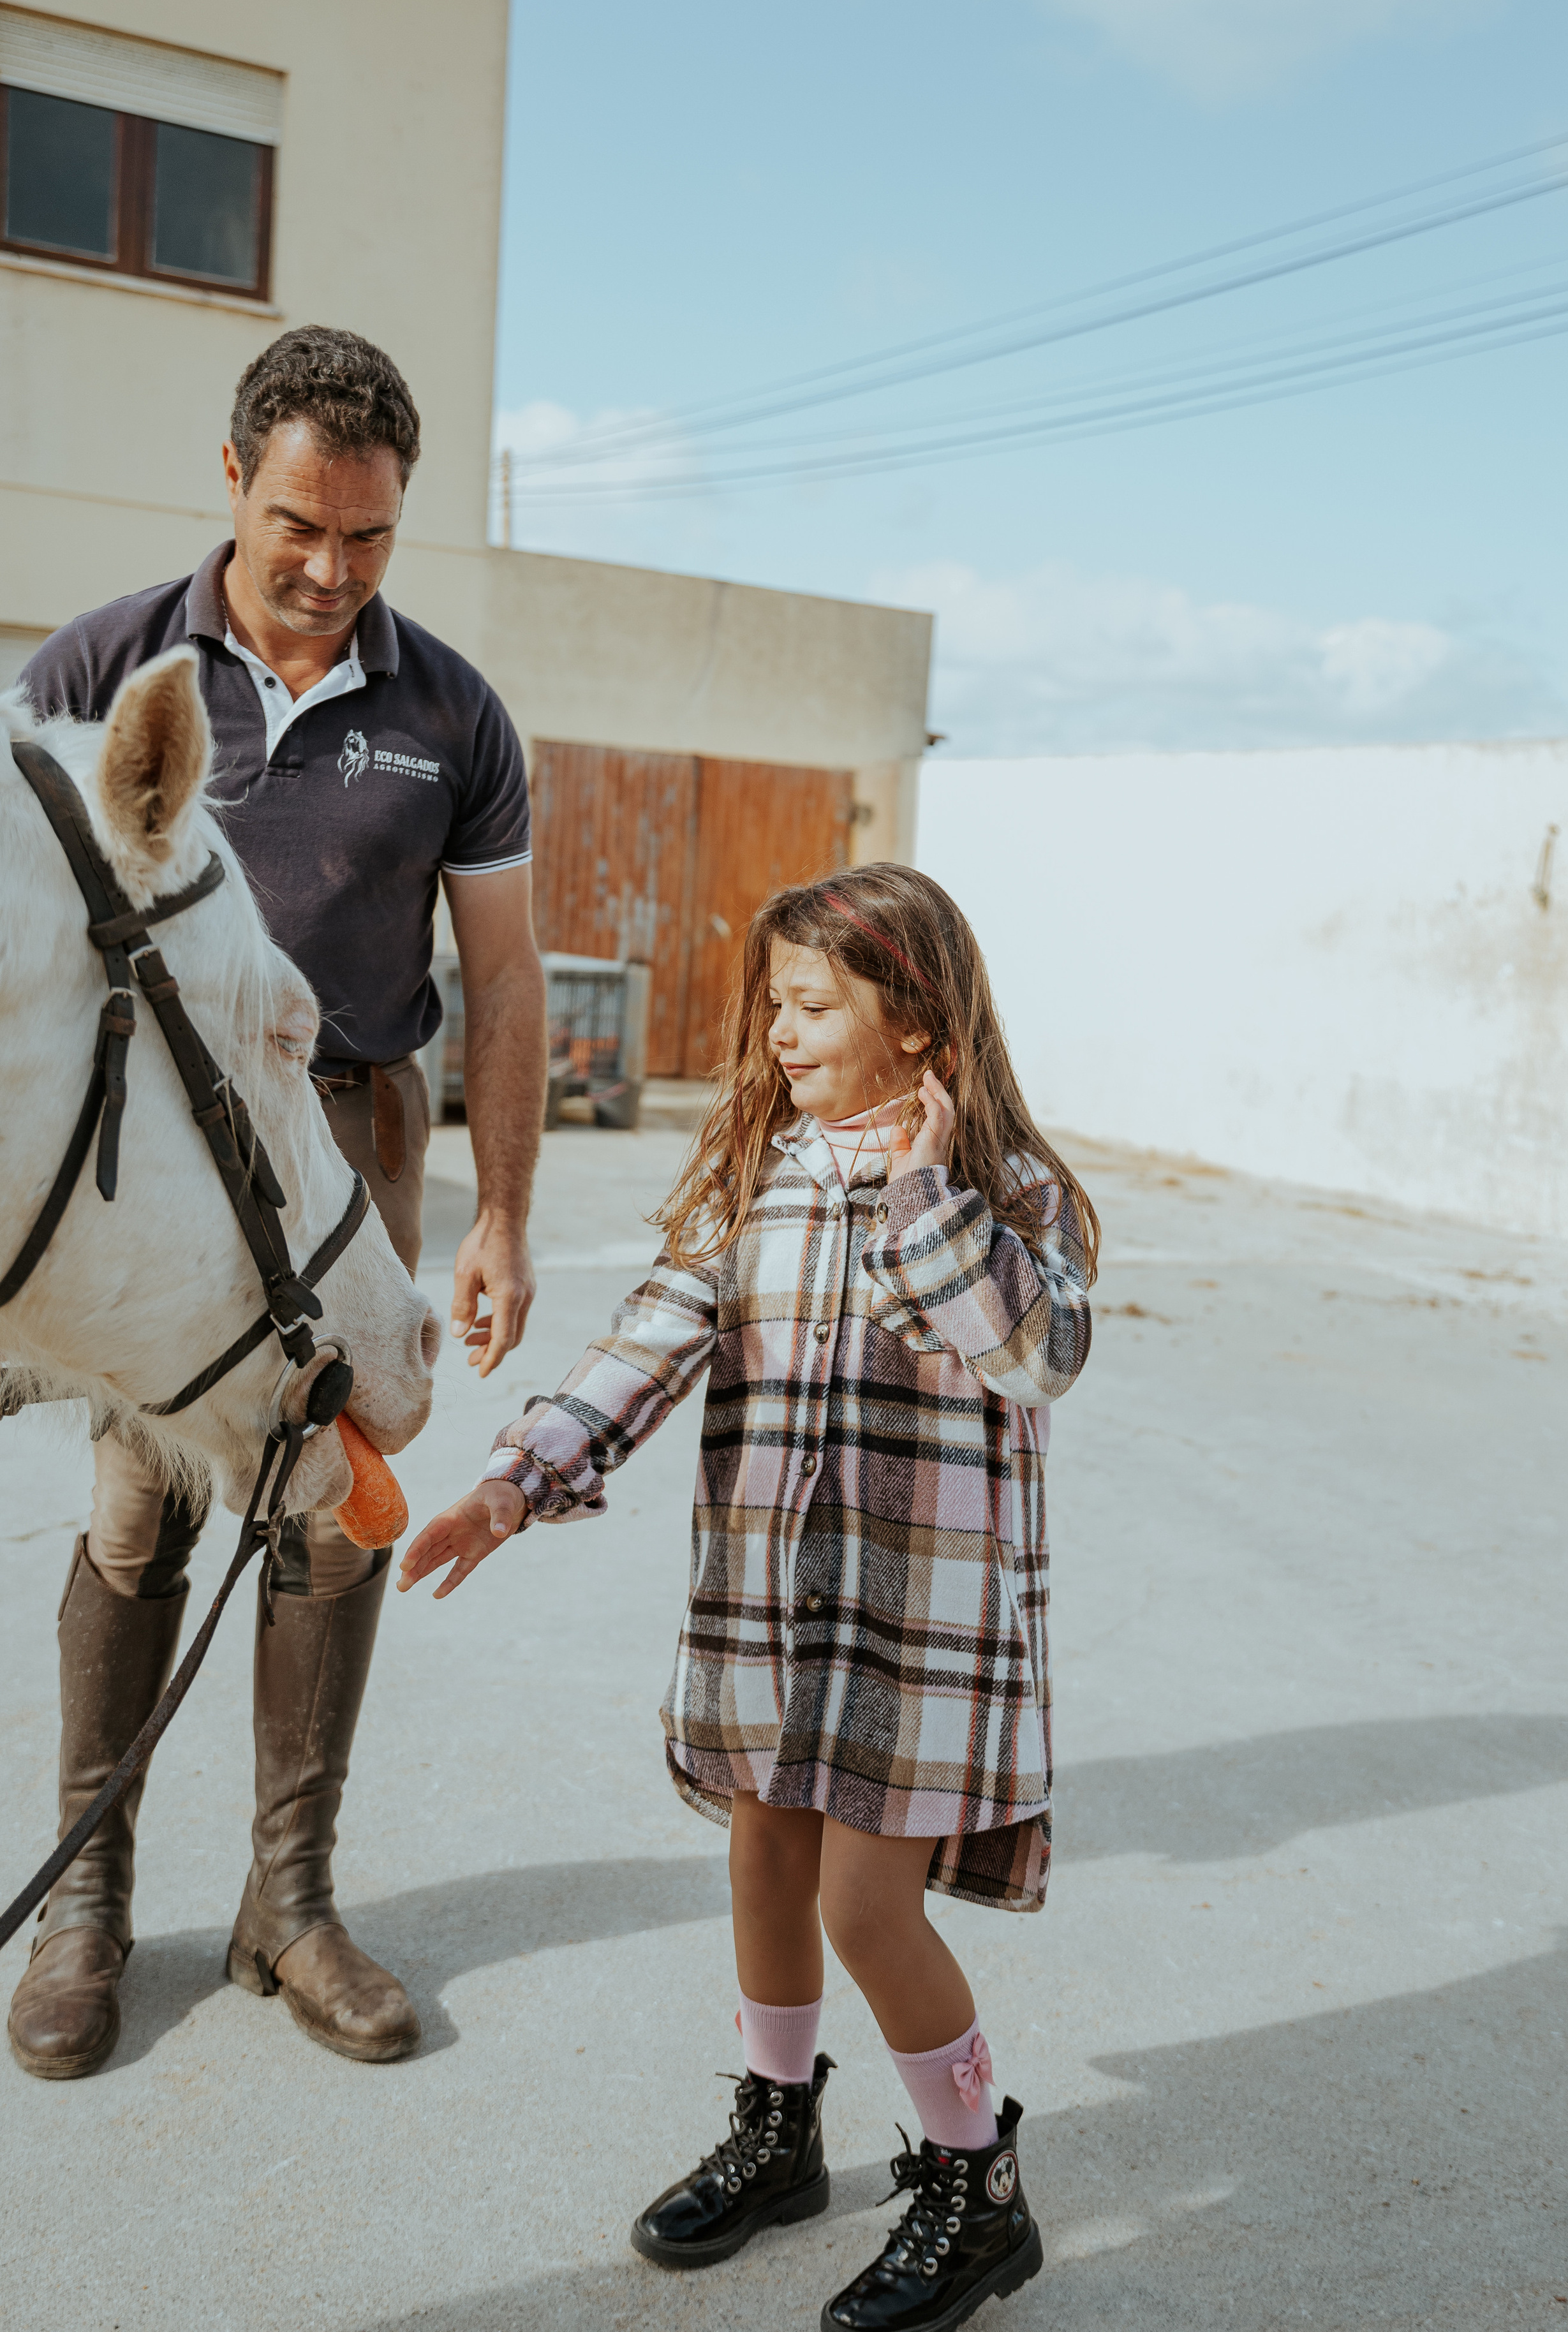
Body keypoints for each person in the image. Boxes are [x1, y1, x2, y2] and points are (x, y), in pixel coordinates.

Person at [399, 862, 1097, 2332]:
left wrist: (918, 1187)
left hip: (923, 1622)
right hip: (769, 1602)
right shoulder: (757, 1169)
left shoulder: (1015, 1194)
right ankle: (781, 2133)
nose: (777, 1033)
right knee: (762, 1866)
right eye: (770, 1003)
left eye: (811, 1003)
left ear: (917, 1017)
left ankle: (978, 2190)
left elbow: (1026, 1355)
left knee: (865, 1906)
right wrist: (518, 1479)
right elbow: (651, 1339)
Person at [8, 327, 547, 2082]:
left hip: (355, 1137)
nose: (331, 569)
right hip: (161, 1149)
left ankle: (289, 1905)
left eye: (373, 536)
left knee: (338, 1500)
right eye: (301, 522)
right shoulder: (105, 661)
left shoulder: (453, 712)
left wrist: (502, 1212)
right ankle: (87, 1905)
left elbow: (511, 981)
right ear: (231, 481)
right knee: (139, 1502)